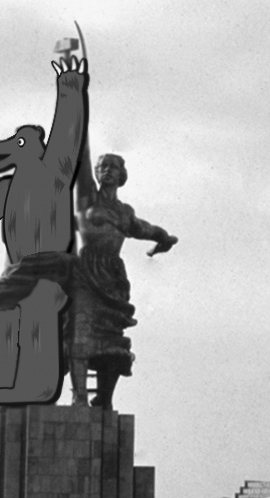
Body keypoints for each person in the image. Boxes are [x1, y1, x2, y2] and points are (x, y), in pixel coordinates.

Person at [68, 140, 178, 409]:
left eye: (113, 167)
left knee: (113, 340)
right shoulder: (87, 199)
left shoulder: (125, 212)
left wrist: (164, 239)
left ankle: (104, 399)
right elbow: (80, 162)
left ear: (121, 175)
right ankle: (79, 397)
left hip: (112, 277)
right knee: (80, 334)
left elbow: (145, 229)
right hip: (86, 273)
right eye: (103, 166)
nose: (107, 170)